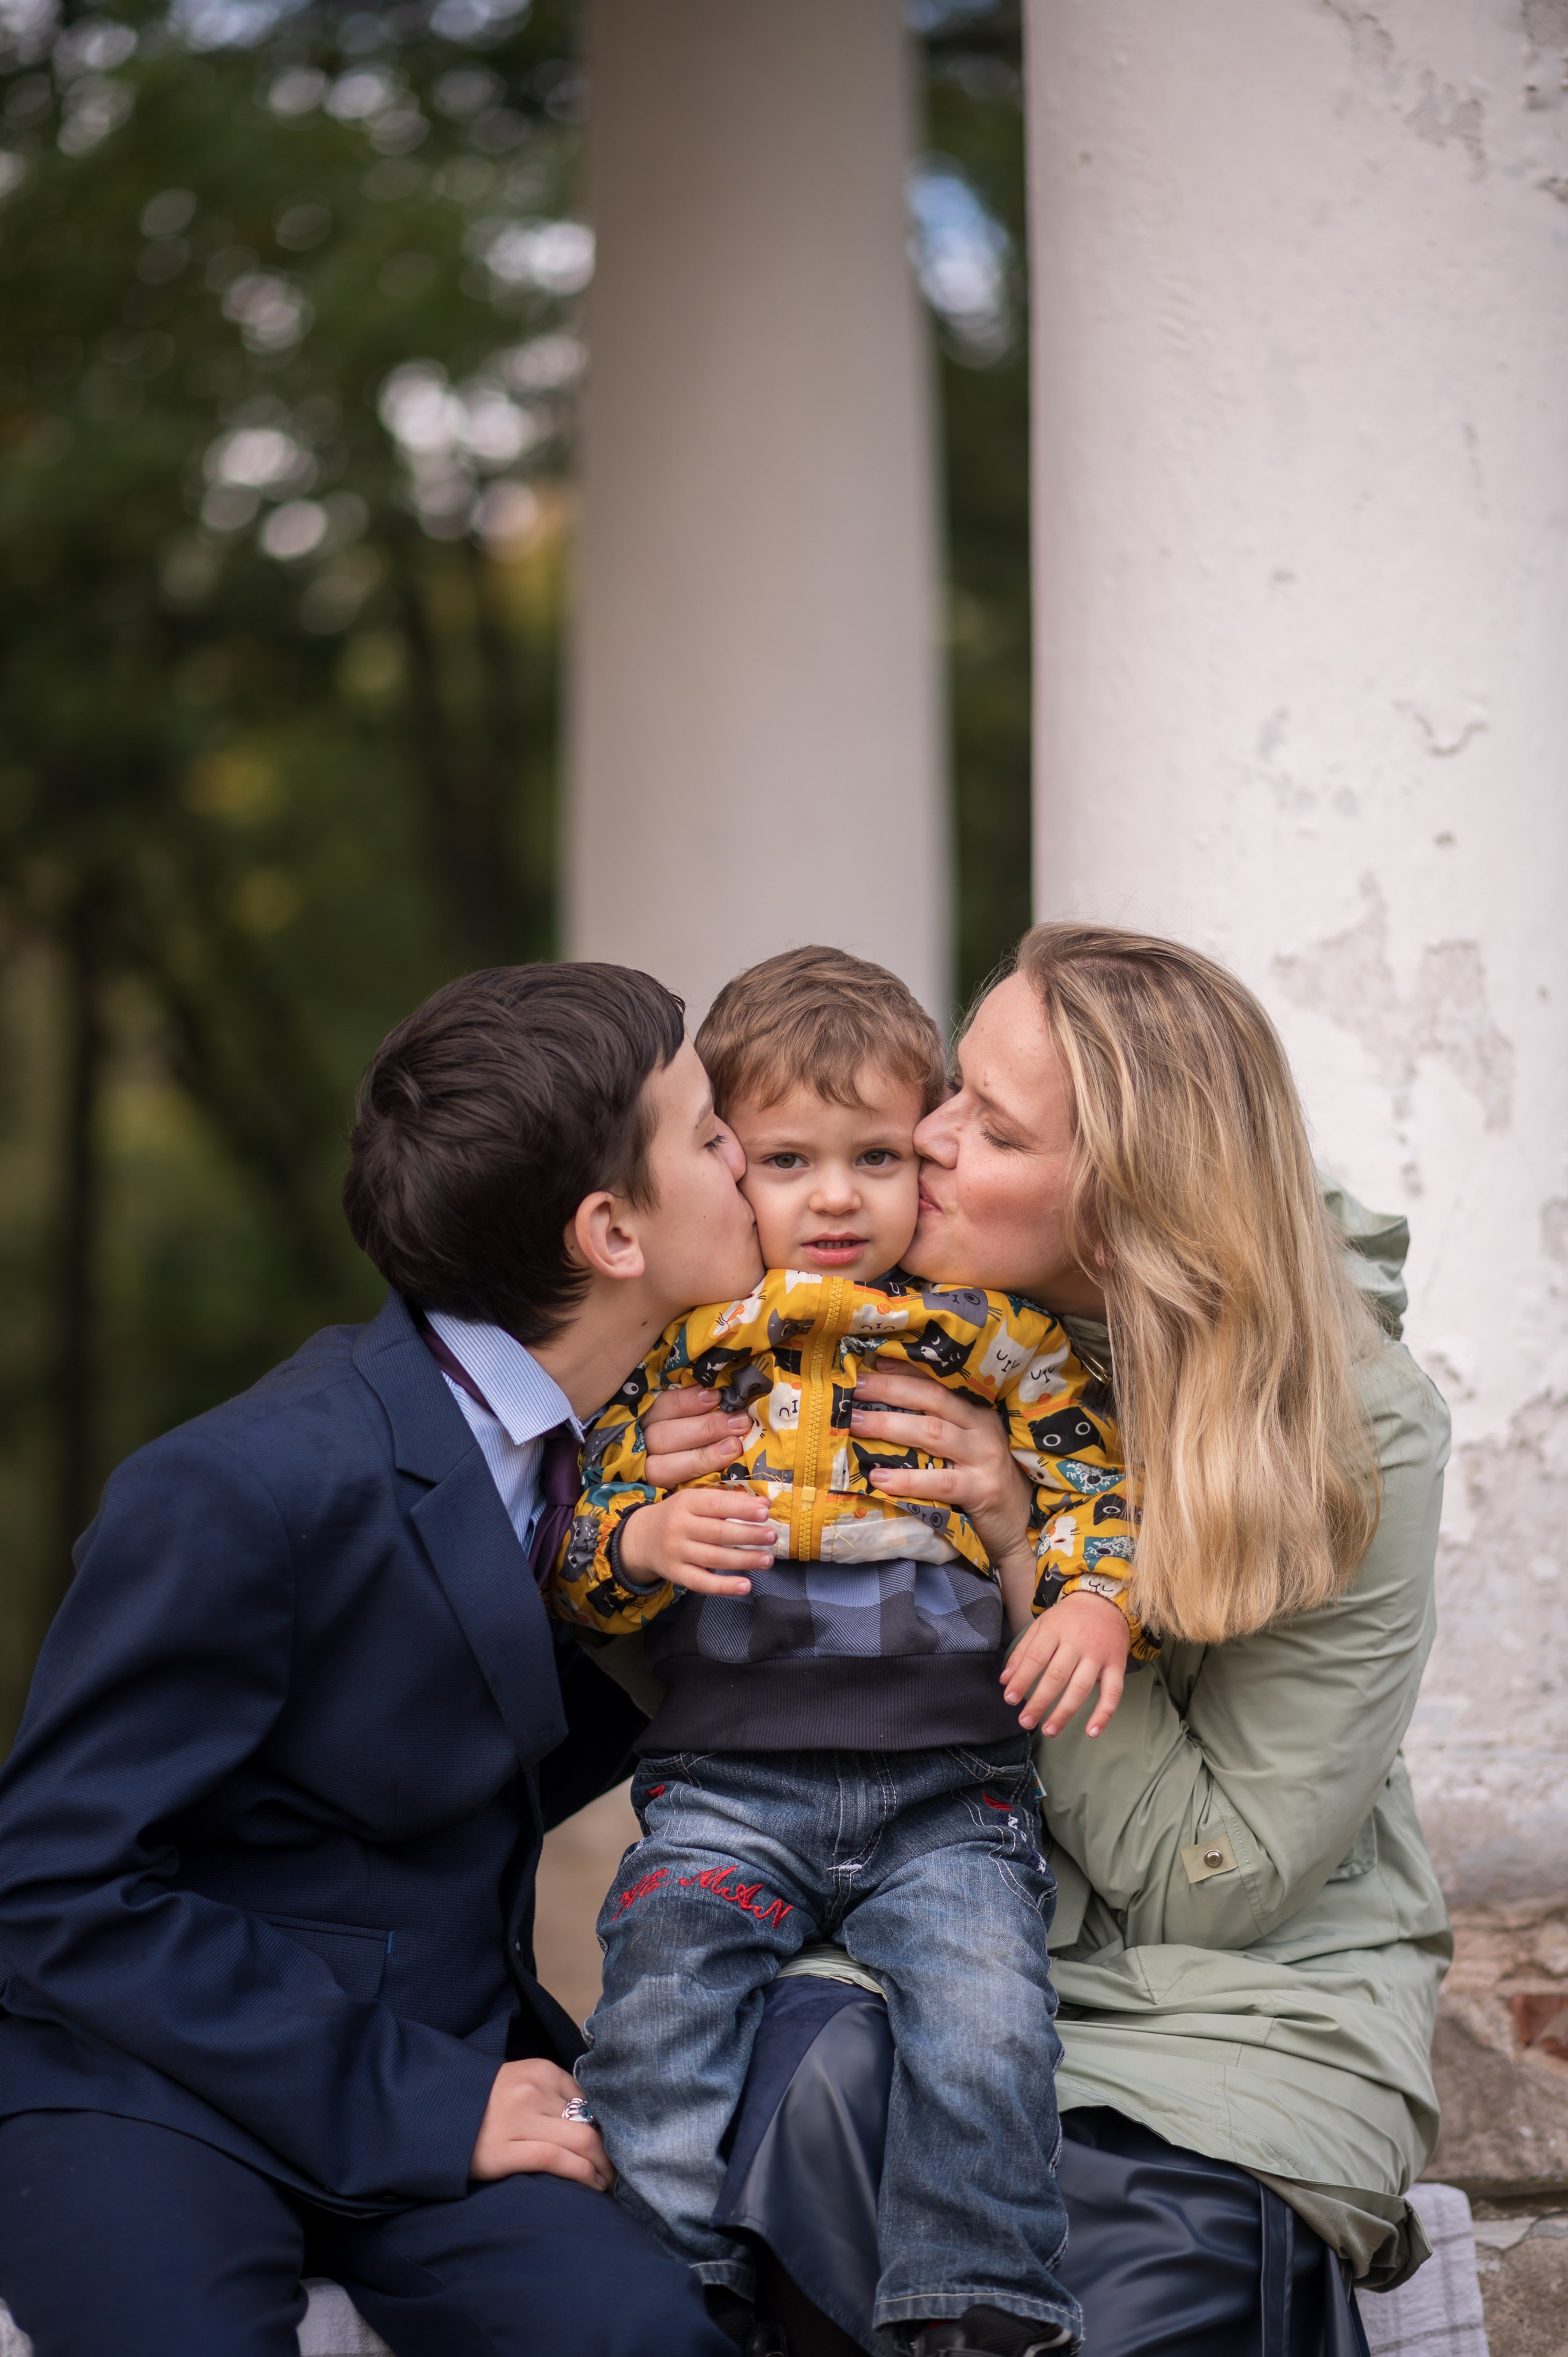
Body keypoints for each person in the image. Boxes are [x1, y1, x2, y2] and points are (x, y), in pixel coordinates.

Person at [636, 924, 1452, 2357]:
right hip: (921, 1902)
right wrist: (664, 1490)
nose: (924, 1137)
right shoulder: (863, 1330)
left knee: (1151, 2245)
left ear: (1115, 1213)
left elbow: (1222, 1882)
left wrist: (1027, 1548)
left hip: (1226, 1999)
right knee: (793, 2097)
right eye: (951, 1089)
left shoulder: (1349, 1423)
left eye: (988, 1129)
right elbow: (713, 1706)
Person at [0, 964, 750, 2357]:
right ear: (610, 1230)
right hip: (150, 2083)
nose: (747, 1161)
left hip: (450, 2046)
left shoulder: (635, 1455)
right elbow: (57, 1883)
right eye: (710, 1133)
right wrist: (425, 2101)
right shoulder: (244, 1484)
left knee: (647, 2334)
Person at [553, 948, 1142, 2357]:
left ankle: (977, 2292)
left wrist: (1089, 1599)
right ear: (725, 1172)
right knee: (658, 2000)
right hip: (725, 1791)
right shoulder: (682, 1358)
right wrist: (635, 1541)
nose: (834, 1197)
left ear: (922, 1147)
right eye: (787, 1159)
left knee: (989, 2023)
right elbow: (571, 1550)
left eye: (877, 1154)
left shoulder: (988, 1343)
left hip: (949, 1792)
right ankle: (663, 2278)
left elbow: (1087, 1485)